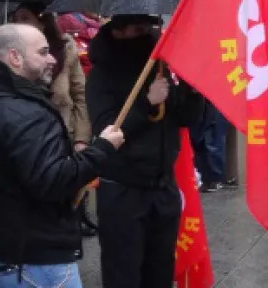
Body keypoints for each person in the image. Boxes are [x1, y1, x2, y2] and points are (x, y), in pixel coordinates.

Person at [0, 24, 125, 288]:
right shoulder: (28, 114)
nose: (52, 59)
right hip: (33, 259)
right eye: (42, 52)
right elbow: (53, 181)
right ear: (15, 58)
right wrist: (103, 149)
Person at [85, 14, 205, 288]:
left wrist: (192, 89)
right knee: (124, 272)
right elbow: (107, 130)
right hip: (123, 190)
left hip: (162, 187)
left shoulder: (158, 67)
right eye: (139, 30)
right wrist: (147, 103)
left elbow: (184, 117)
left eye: (149, 30)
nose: (148, 36)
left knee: (160, 270)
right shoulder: (102, 74)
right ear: (119, 33)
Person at [11, 2, 98, 234]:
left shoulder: (66, 47)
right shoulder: (10, 55)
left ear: (42, 21)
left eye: (25, 18)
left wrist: (81, 138)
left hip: (65, 136)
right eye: (16, 18)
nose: (20, 23)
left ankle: (77, 217)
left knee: (68, 195)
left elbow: (80, 95)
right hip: (31, 141)